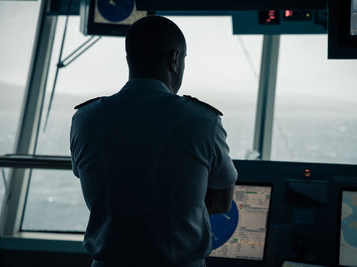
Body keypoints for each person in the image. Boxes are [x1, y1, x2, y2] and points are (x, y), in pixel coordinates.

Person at [70, 16, 237, 267]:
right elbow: (223, 201)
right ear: (175, 59)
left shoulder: (85, 119)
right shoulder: (203, 121)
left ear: (129, 59)